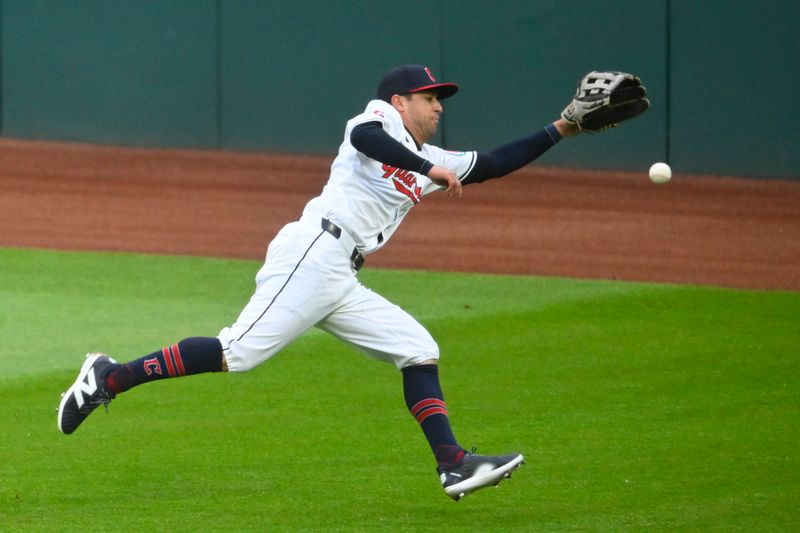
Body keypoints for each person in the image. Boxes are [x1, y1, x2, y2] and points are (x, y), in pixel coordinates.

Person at [58, 64, 585, 501]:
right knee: (236, 353)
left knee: (417, 348)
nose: (438, 106)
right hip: (314, 251)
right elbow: (365, 138)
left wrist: (562, 127)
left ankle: (453, 464)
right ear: (400, 101)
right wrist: (426, 166)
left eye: (439, 98)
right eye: (429, 97)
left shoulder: (435, 159)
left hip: (341, 275)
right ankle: (107, 379)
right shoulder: (379, 119)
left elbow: (493, 163)